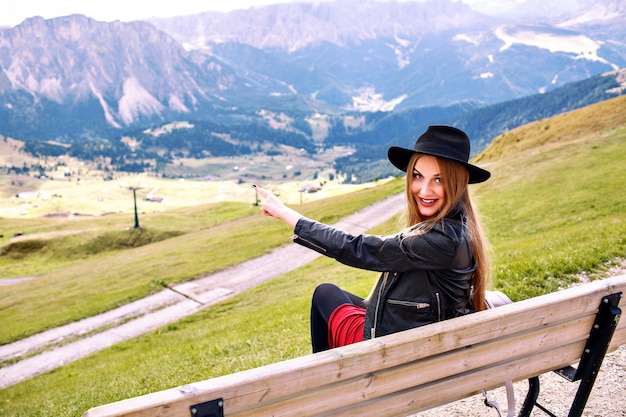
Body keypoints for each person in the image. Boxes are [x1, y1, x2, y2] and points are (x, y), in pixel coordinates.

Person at [254, 125, 491, 353]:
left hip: (394, 354)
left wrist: (287, 214)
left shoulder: (442, 241)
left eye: (438, 180)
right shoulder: (460, 228)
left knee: (324, 294)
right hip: (420, 343)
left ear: (457, 184)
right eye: (418, 176)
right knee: (342, 297)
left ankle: (329, 379)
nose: (424, 190)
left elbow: (357, 248)